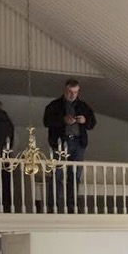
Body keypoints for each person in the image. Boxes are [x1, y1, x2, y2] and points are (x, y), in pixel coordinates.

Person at [43, 78, 97, 213]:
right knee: (57, 174)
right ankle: (52, 207)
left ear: (78, 92)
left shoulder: (84, 106)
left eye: (75, 92)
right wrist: (63, 120)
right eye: (70, 92)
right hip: (60, 143)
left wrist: (85, 120)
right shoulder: (54, 105)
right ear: (65, 90)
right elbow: (46, 121)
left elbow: (92, 123)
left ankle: (71, 207)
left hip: (78, 144)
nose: (72, 95)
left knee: (75, 176)